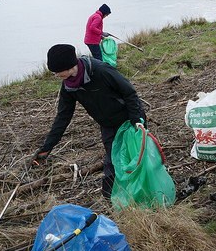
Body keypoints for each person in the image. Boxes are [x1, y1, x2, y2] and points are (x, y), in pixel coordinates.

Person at [32, 44, 147, 199]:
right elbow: (63, 117)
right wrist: (47, 147)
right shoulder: (69, 86)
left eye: (58, 71)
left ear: (69, 66)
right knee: (113, 160)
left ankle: (145, 192)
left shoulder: (101, 71)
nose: (56, 75)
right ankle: (113, 200)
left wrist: (136, 120)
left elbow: (130, 93)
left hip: (130, 118)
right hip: (107, 124)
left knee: (137, 156)